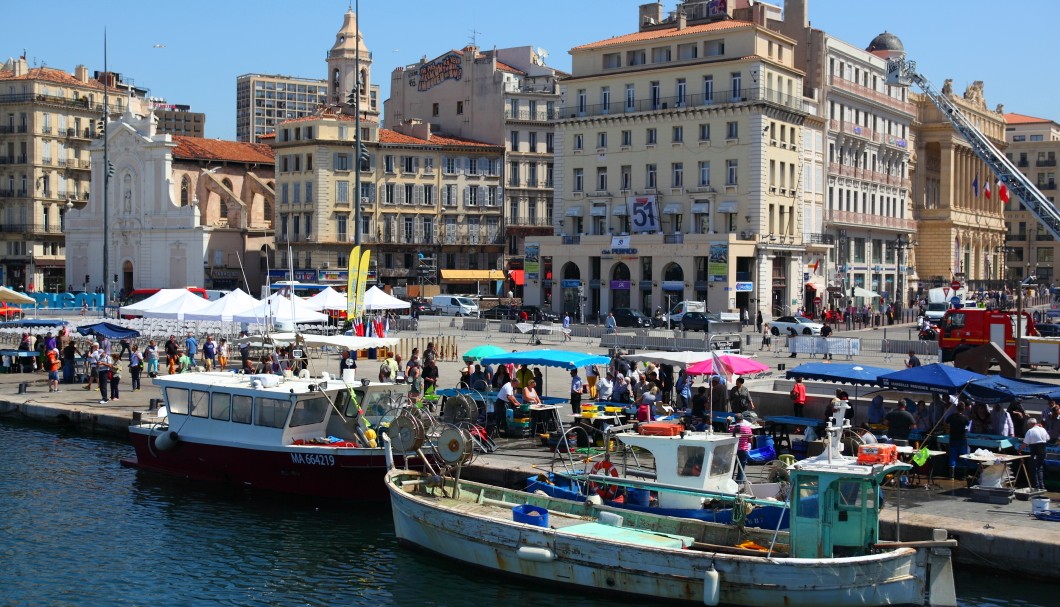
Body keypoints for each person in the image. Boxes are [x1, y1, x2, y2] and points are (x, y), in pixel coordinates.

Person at [1020, 418, 1049, 490]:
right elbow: (1048, 438)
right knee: (1040, 468)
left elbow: (1025, 443)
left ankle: (1036, 486)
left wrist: (1019, 449)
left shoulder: (1030, 431)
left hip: (1035, 450)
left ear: (1030, 424)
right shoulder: (1043, 429)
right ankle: (1041, 486)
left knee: (1034, 468)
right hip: (1043, 449)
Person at [946, 402, 970, 479]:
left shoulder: (952, 416)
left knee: (952, 457)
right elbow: (968, 425)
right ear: (964, 409)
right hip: (962, 439)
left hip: (953, 438)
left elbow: (946, 422)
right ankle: (964, 475)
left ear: (957, 408)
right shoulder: (965, 418)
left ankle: (951, 476)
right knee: (964, 456)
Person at [728, 413, 754, 483]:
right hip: (743, 450)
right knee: (741, 468)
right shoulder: (747, 429)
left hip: (734, 450)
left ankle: (729, 481)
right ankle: (739, 483)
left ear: (735, 420)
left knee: (732, 468)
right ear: (743, 419)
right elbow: (750, 440)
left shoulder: (731, 428)